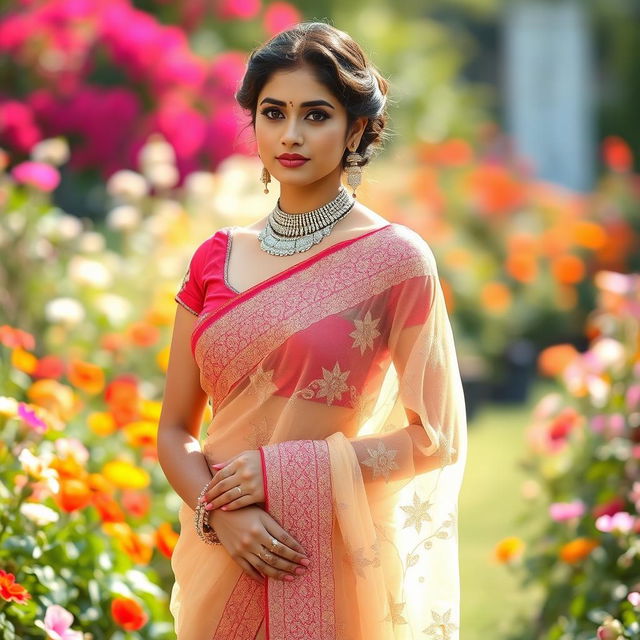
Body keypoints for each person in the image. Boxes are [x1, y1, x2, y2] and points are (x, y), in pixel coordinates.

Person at [158, 20, 467, 640]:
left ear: (356, 128)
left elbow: (436, 440)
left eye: (316, 115)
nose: (291, 135)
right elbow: (174, 430)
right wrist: (223, 517)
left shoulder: (396, 260)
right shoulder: (214, 259)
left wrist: (286, 471)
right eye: (273, 113)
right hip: (225, 552)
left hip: (325, 554)